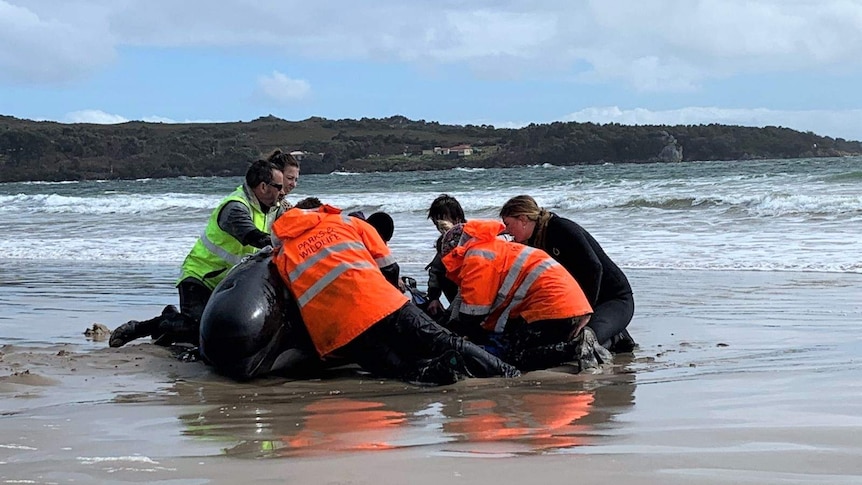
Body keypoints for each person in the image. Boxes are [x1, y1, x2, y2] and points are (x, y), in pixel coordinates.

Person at [270, 201, 520, 385]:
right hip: (382, 302)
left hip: (341, 331)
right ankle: (508, 375)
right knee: (444, 340)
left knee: (400, 369)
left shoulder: (282, 256)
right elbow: (389, 266)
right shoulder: (345, 222)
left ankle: (442, 371)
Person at [109, 159, 286, 348]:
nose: (283, 192)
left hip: (225, 284)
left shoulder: (271, 209)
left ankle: (172, 329)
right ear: (263, 187)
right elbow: (255, 237)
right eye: (279, 187)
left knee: (219, 335)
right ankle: (144, 327)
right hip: (200, 278)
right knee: (200, 331)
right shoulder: (236, 207)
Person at [440, 220, 611, 372]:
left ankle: (574, 347)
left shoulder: (476, 258)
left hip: (552, 309)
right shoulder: (495, 248)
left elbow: (472, 316)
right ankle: (587, 343)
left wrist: (450, 337)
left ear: (455, 253)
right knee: (518, 342)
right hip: (569, 306)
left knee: (515, 357)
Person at [500, 195, 636, 353]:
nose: (507, 230)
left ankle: (617, 337)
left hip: (614, 299)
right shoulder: (533, 241)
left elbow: (594, 267)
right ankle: (611, 333)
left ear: (523, 219)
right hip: (584, 302)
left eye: (508, 224)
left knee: (583, 342)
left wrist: (586, 312)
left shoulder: (560, 228)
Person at [424, 194, 467, 318]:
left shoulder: (472, 237)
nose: (439, 225)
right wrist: (433, 298)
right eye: (435, 221)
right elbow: (436, 270)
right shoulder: (443, 242)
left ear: (457, 219)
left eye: (442, 219)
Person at [265, 149, 300, 219]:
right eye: (290, 178)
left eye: (296, 180)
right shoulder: (257, 201)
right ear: (276, 175)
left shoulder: (286, 207)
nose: (294, 185)